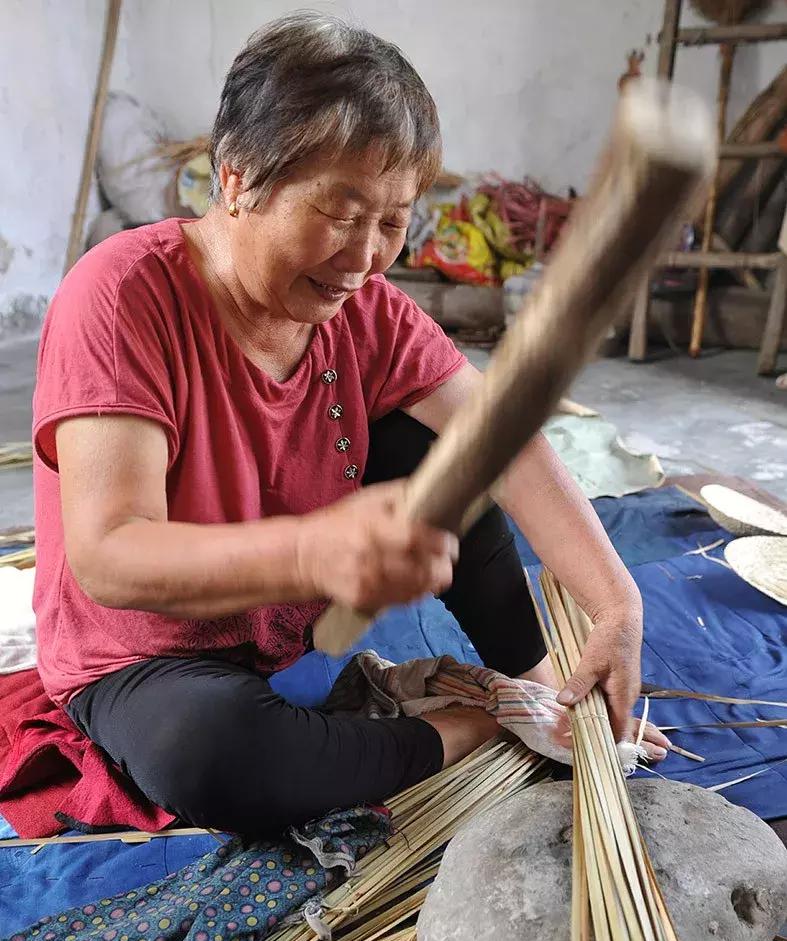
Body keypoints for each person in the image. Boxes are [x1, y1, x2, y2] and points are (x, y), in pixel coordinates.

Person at [32, 13, 668, 837]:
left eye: (395, 221)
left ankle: (542, 689)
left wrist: (616, 605)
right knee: (211, 753)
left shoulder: (365, 309)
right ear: (236, 178)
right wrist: (310, 549)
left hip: (280, 633)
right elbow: (109, 552)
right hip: (148, 657)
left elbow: (501, 439)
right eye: (339, 211)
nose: (366, 256)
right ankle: (475, 727)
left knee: (445, 459)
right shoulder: (121, 297)